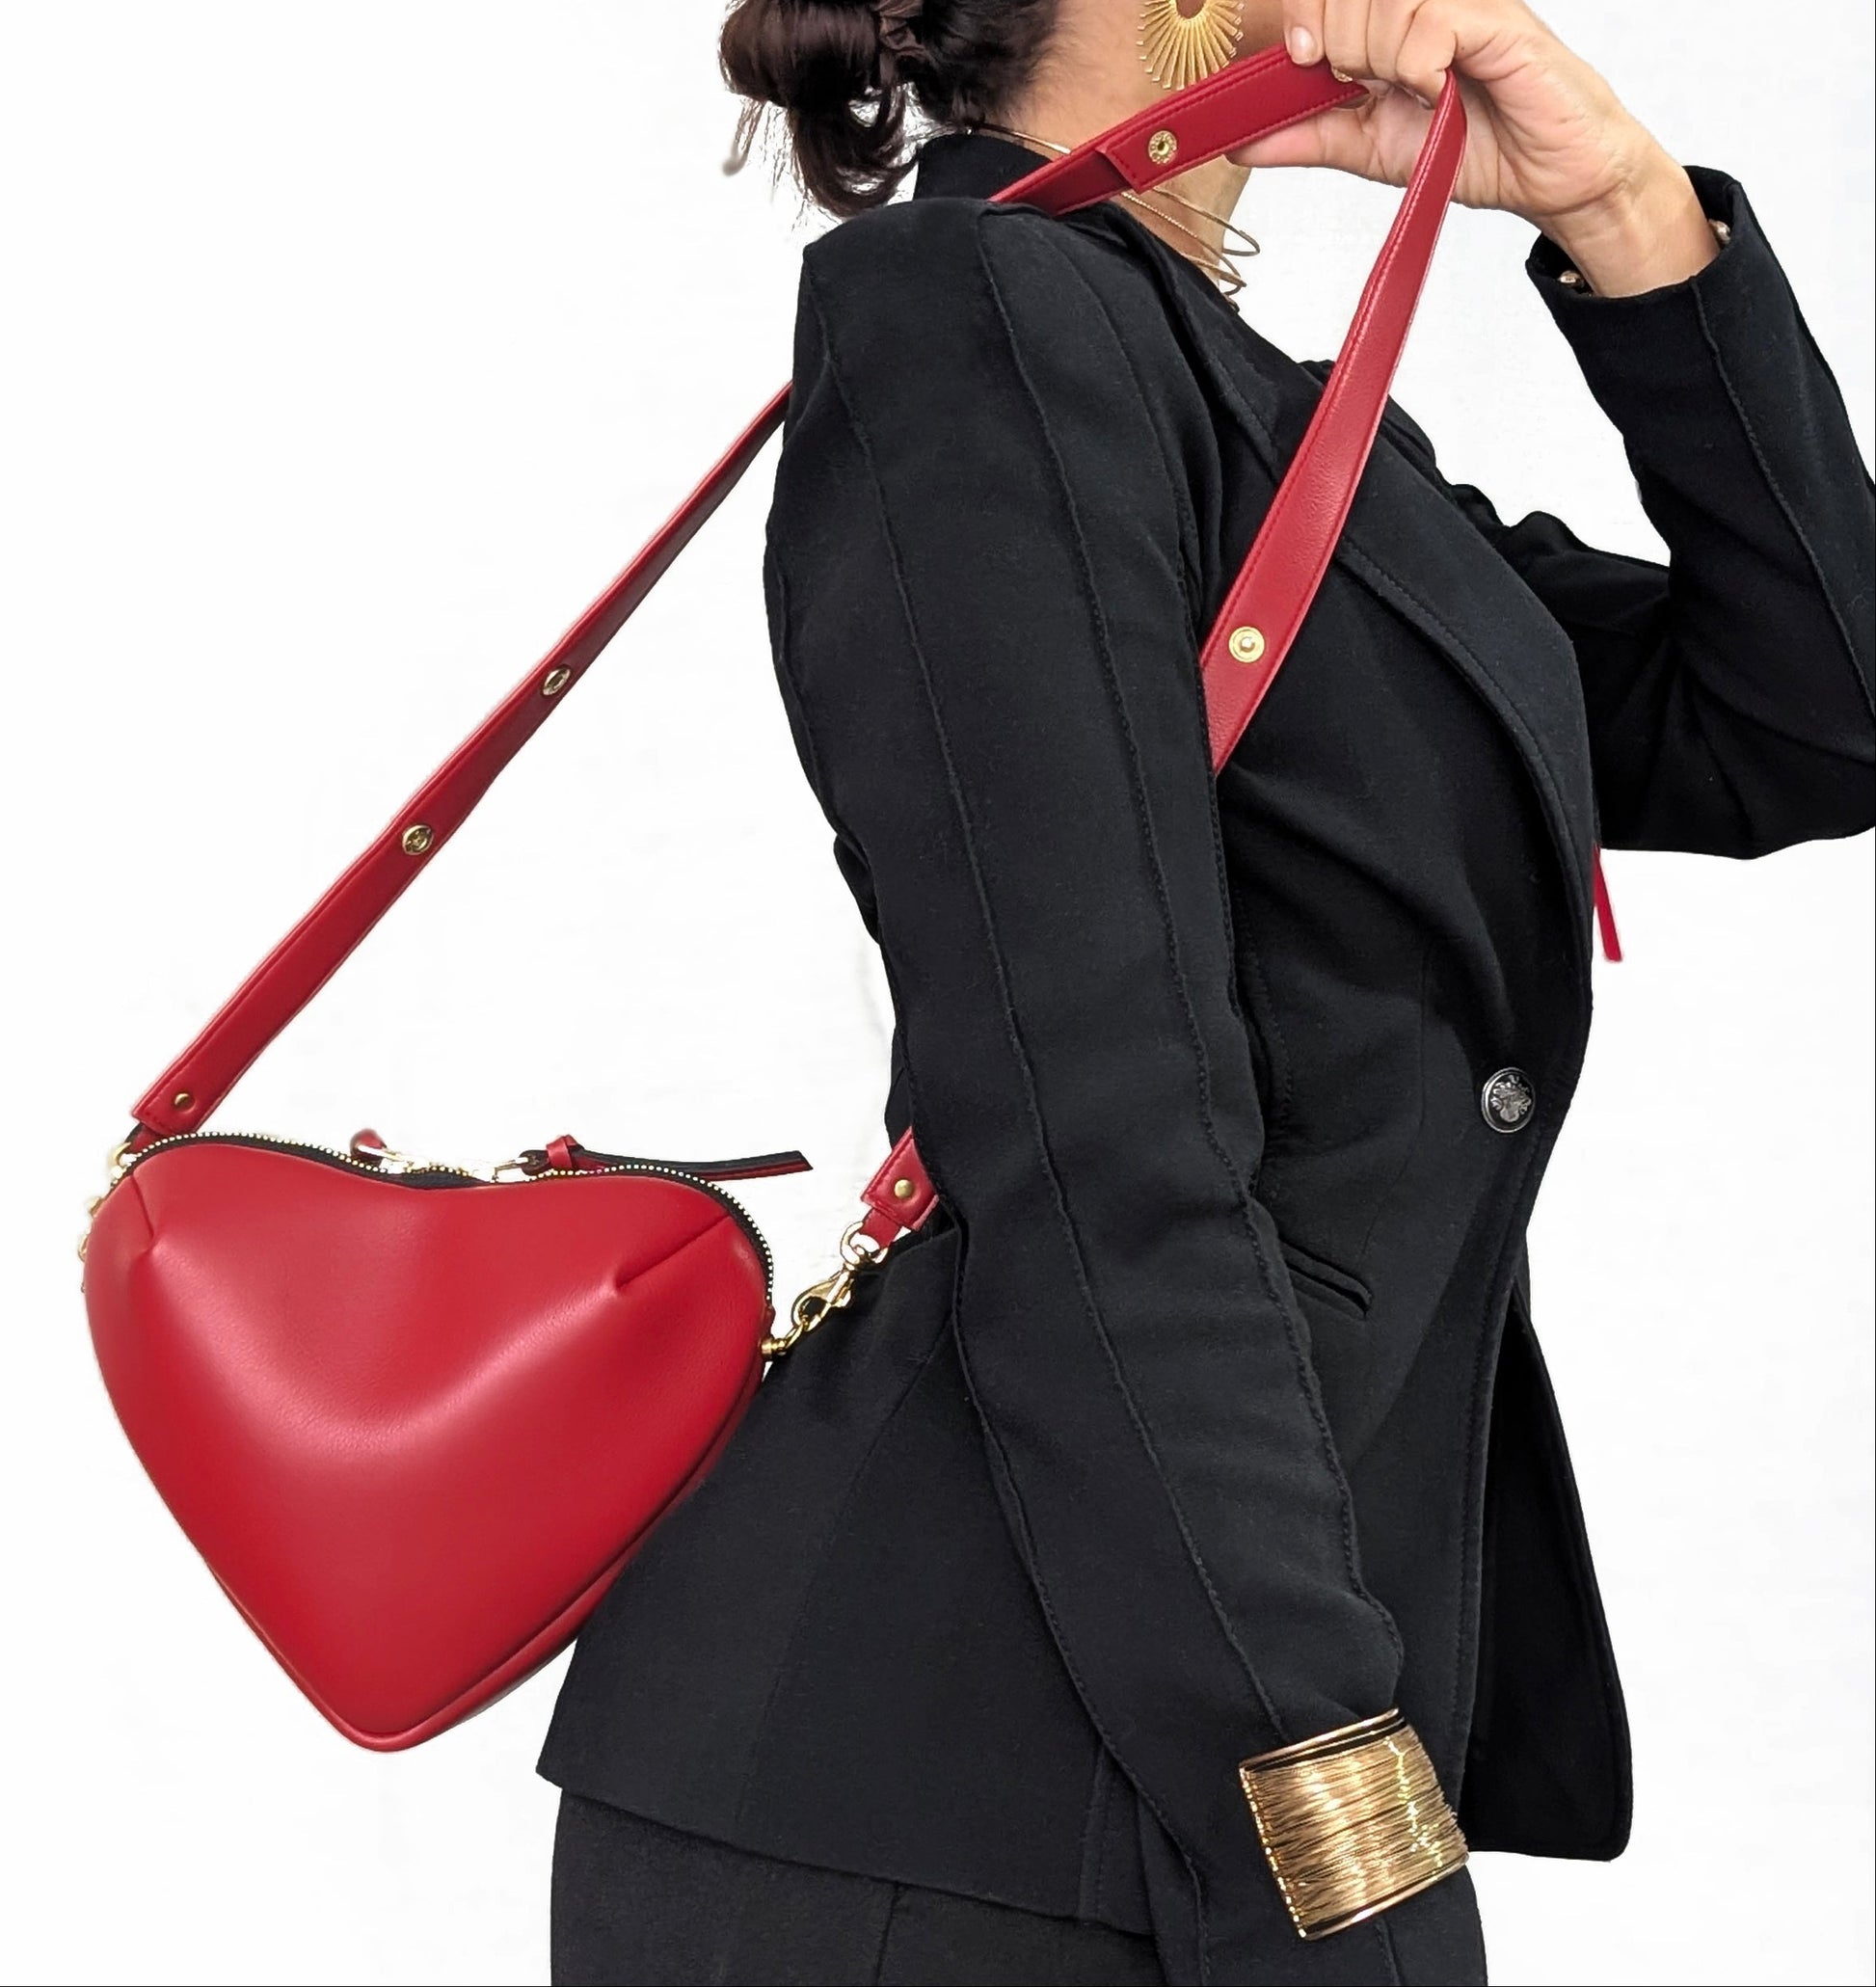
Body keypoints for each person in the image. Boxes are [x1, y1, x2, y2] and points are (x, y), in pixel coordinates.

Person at [538, 2, 1876, 1980]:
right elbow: (1100, 1131)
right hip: (955, 1791)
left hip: (1140, 1725)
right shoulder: (979, 311)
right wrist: (1331, 1796)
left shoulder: (1267, 419)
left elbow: (1812, 718)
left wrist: (1620, 206)